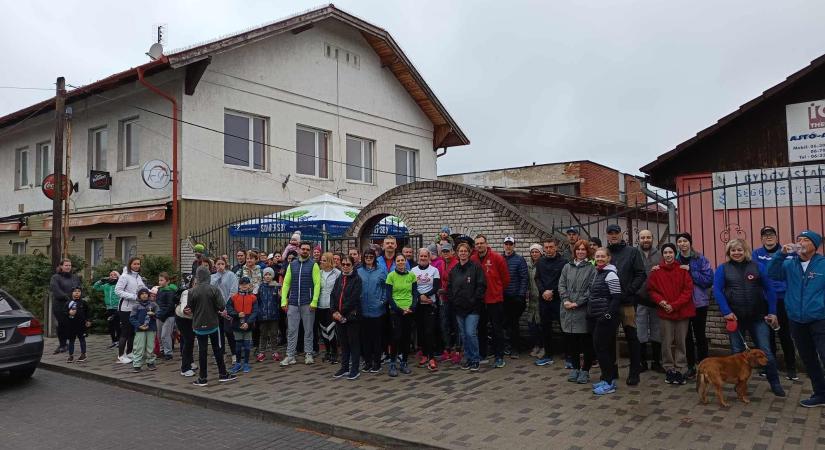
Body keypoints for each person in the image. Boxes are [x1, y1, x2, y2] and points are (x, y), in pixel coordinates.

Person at [714, 238, 785, 398]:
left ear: (745, 250)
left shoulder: (758, 267)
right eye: (733, 250)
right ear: (728, 252)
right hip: (735, 318)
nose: (736, 253)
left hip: (758, 317)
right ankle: (739, 386)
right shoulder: (722, 269)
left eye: (739, 249)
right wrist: (726, 311)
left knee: (766, 351)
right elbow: (717, 291)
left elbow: (770, 289)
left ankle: (775, 383)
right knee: (737, 353)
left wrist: (773, 312)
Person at [768, 230, 825, 407]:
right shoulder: (789, 264)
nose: (800, 242)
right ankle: (820, 394)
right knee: (808, 358)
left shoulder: (822, 264)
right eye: (798, 239)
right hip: (796, 320)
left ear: (815, 246)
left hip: (819, 318)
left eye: (805, 240)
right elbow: (772, 273)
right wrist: (780, 254)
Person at [753, 225, 798, 380]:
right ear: (761, 238)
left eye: (771, 234)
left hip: (783, 299)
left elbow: (792, 273)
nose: (768, 237)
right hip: (764, 300)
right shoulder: (756, 254)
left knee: (785, 334)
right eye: (765, 235)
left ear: (776, 237)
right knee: (768, 335)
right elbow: (757, 274)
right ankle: (769, 367)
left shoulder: (788, 252)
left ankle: (791, 368)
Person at [647, 243, 695, 385]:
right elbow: (652, 290)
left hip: (681, 311)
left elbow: (687, 291)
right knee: (666, 342)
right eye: (665, 253)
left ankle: (681, 367)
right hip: (664, 311)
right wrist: (661, 302)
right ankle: (669, 368)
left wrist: (673, 306)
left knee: (681, 341)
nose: (668, 255)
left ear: (675, 254)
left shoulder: (682, 270)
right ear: (662, 255)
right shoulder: (656, 271)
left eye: (670, 252)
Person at [605, 224, 646, 386]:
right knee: (609, 338)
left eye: (616, 233)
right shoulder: (605, 253)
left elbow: (640, 274)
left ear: (621, 234)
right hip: (609, 303)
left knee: (631, 337)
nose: (613, 236)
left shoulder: (632, 252)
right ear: (607, 235)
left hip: (627, 302)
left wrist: (629, 291)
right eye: (610, 233)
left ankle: (634, 372)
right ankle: (612, 370)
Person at [187, 266, 237, 386]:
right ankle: (223, 374)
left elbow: (190, 307)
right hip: (213, 324)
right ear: (209, 276)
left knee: (202, 351)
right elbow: (221, 306)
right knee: (217, 349)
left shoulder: (192, 291)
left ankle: (202, 378)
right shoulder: (214, 289)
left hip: (198, 324)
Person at [674, 232, 714, 380]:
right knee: (686, 337)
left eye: (685, 241)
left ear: (690, 243)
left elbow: (708, 280)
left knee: (700, 336)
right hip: (682, 304)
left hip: (699, 303)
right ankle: (690, 366)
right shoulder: (675, 260)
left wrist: (691, 271)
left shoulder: (700, 259)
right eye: (680, 241)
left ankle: (705, 367)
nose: (682, 244)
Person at [558, 240, 597, 384]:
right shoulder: (567, 267)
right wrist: (566, 300)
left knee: (586, 343)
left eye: (583, 249)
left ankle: (585, 370)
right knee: (572, 343)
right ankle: (575, 368)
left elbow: (591, 289)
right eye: (578, 249)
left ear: (587, 252)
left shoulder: (591, 268)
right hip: (568, 310)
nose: (580, 252)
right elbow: (561, 284)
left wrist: (578, 302)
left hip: (583, 310)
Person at [471, 234, 511, 368]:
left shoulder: (497, 258)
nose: (479, 245)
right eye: (477, 244)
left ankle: (499, 356)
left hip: (494, 299)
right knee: (481, 328)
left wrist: (496, 290)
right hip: (479, 300)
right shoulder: (473, 259)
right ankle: (483, 354)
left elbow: (505, 279)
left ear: (486, 243)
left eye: (481, 243)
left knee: (497, 329)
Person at [280, 241, 321, 366]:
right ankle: (290, 355)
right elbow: (286, 283)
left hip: (307, 303)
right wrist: (283, 300)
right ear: (299, 250)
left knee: (308, 330)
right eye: (303, 249)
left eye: (307, 249)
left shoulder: (313, 265)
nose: (305, 251)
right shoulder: (292, 265)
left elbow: (317, 284)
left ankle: (308, 354)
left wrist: (314, 301)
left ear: (310, 251)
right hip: (293, 302)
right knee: (292, 330)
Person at [589, 247, 622, 395]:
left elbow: (616, 298)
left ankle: (609, 382)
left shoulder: (611, 275)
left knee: (601, 348)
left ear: (609, 258)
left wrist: (607, 315)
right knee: (603, 348)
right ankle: (607, 378)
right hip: (598, 316)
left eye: (603, 256)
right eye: (598, 256)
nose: (600, 258)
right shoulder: (598, 272)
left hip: (607, 318)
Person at [449, 242, 487, 372]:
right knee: (464, 335)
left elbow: (481, 285)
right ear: (457, 253)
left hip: (473, 308)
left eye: (465, 251)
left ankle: (475, 359)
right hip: (459, 308)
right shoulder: (454, 270)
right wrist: (453, 300)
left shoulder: (476, 267)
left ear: (469, 253)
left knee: (471, 333)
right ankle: (468, 358)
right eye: (461, 251)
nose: (463, 253)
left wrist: (475, 299)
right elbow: (450, 287)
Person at [534, 238, 567, 366]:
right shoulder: (540, 262)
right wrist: (543, 291)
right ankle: (548, 355)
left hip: (558, 299)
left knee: (563, 327)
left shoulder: (563, 262)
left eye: (551, 247)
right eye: (546, 247)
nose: (548, 249)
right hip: (544, 300)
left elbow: (563, 281)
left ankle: (568, 354)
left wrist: (552, 291)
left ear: (556, 247)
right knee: (545, 328)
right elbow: (537, 278)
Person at [636, 230, 664, 373]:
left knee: (656, 329)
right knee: (640, 330)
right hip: (639, 298)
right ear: (638, 239)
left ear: (653, 238)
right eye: (642, 237)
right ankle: (641, 362)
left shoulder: (660, 255)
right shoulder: (633, 254)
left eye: (648, 237)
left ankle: (656, 362)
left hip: (656, 299)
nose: (645, 240)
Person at [331, 255, 363, 380]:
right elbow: (333, 295)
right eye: (343, 264)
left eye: (347, 264)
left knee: (353, 343)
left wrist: (341, 312)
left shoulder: (357, 279)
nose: (345, 266)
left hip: (351, 316)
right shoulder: (339, 278)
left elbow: (354, 298)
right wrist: (333, 310)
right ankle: (344, 367)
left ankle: (354, 369)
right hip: (339, 317)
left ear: (352, 265)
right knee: (343, 343)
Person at [386, 254, 418, 376]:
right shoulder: (391, 276)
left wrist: (411, 307)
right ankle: (393, 363)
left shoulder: (411, 275)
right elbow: (389, 296)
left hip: (409, 311)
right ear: (395, 262)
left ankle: (404, 362)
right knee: (396, 338)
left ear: (405, 262)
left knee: (406, 338)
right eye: (398, 260)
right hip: (396, 311)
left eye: (402, 260)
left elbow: (415, 293)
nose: (400, 262)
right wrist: (399, 309)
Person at [357, 248, 387, 373]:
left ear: (375, 258)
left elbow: (386, 288)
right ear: (363, 258)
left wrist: (382, 301)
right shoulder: (358, 271)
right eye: (366, 257)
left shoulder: (381, 270)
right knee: (365, 338)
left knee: (376, 338)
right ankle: (367, 362)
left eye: (371, 257)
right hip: (363, 309)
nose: (368, 259)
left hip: (377, 310)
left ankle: (377, 362)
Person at [412, 248, 441, 371]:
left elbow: (436, 287)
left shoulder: (434, 270)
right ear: (418, 257)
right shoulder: (413, 271)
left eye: (425, 256)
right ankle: (424, 355)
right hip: (418, 305)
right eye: (421, 256)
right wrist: (420, 297)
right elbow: (412, 287)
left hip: (430, 304)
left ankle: (432, 357)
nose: (423, 258)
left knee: (430, 331)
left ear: (429, 257)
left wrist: (426, 296)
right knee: (421, 331)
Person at [115, 257, 147, 364]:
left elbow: (143, 288)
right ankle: (120, 355)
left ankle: (129, 352)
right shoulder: (125, 276)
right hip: (125, 308)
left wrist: (154, 291)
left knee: (132, 332)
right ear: (130, 265)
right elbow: (118, 291)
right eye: (134, 264)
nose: (137, 266)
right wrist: (134, 297)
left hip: (135, 308)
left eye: (138, 264)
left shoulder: (138, 277)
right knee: (125, 331)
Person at [502, 236, 529, 359]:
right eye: (506, 244)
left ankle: (515, 348)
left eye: (510, 244)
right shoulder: (499, 258)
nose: (508, 246)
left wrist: (521, 295)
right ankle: (506, 346)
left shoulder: (519, 260)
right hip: (502, 297)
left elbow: (524, 278)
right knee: (504, 323)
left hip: (515, 298)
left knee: (513, 324)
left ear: (514, 245)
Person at [227, 277, 258, 374]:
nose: (244, 286)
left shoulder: (253, 297)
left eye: (246, 284)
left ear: (249, 285)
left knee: (247, 346)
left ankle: (246, 363)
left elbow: (255, 312)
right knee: (238, 345)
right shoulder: (234, 297)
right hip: (237, 325)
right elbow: (228, 308)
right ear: (239, 285)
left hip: (248, 325)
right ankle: (238, 363)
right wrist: (236, 314)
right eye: (242, 284)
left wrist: (248, 323)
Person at [212, 257, 240, 365]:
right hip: (217, 309)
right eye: (218, 264)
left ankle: (234, 354)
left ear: (225, 264)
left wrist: (226, 307)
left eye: (222, 264)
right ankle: (221, 354)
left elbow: (233, 291)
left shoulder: (231, 275)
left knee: (229, 331)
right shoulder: (212, 277)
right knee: (219, 333)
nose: (220, 266)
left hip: (228, 308)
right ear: (215, 265)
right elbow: (211, 291)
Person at [436, 243, 461, 364]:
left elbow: (457, 283)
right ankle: (447, 349)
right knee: (444, 324)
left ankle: (458, 350)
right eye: (443, 251)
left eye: (447, 251)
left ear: (452, 252)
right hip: (444, 299)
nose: (445, 254)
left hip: (455, 300)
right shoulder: (441, 263)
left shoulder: (456, 264)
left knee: (456, 325)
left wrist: (445, 290)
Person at [49, 258, 80, 354]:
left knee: (71, 324)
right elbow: (56, 291)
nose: (68, 267)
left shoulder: (75, 277)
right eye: (66, 265)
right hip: (60, 305)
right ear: (61, 266)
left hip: (73, 304)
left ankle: (69, 343)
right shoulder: (55, 277)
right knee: (62, 324)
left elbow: (79, 289)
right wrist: (68, 297)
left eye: (69, 265)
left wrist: (77, 297)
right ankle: (62, 344)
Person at [317, 252, 341, 363]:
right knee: (323, 329)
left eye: (324, 260)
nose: (321, 262)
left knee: (331, 329)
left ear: (330, 261)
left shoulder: (337, 273)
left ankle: (335, 352)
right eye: (321, 260)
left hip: (331, 306)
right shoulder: (319, 272)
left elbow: (340, 290)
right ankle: (327, 352)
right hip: (320, 304)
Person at [129, 288, 158, 373]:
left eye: (146, 293)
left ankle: (150, 362)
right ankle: (137, 364)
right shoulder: (136, 306)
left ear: (148, 295)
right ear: (139, 295)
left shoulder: (153, 305)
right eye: (142, 294)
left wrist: (154, 314)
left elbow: (159, 315)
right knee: (138, 347)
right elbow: (132, 318)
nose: (144, 295)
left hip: (151, 329)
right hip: (140, 329)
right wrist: (139, 326)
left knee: (150, 347)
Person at [255, 267, 281, 362]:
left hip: (274, 315)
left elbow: (279, 300)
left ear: (272, 276)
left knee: (274, 334)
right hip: (262, 315)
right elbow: (257, 300)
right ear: (263, 276)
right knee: (263, 334)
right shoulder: (260, 287)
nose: (267, 276)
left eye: (269, 274)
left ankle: (274, 351)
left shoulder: (276, 286)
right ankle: (262, 351)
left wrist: (280, 295)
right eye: (266, 274)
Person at [93, 270, 120, 349]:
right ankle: (113, 341)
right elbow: (95, 287)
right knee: (111, 325)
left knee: (117, 325)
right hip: (109, 307)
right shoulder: (106, 285)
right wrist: (101, 280)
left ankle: (119, 341)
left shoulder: (119, 285)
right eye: (110, 275)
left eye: (114, 274)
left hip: (118, 307)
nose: (112, 276)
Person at [155, 272, 178, 361]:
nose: (160, 282)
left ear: (167, 281)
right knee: (159, 334)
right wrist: (157, 313)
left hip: (168, 316)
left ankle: (168, 352)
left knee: (165, 334)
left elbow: (170, 305)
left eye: (162, 280)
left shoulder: (170, 291)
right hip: (159, 315)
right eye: (159, 280)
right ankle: (162, 350)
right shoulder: (159, 290)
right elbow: (158, 303)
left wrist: (163, 314)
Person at [526, 244, 544, 358]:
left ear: (541, 253)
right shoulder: (528, 266)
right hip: (532, 299)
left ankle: (543, 346)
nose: (534, 254)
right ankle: (536, 345)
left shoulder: (543, 264)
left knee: (541, 324)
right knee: (531, 323)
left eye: (536, 252)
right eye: (532, 252)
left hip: (542, 298)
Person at [175, 281, 196, 377]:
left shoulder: (202, 292)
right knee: (188, 340)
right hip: (182, 318)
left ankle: (190, 362)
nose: (197, 285)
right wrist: (185, 309)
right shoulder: (187, 292)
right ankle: (185, 368)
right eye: (195, 283)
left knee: (190, 340)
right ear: (192, 285)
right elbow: (184, 307)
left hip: (192, 319)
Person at [65, 287, 90, 363]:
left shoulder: (83, 303)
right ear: (72, 293)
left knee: (82, 339)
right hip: (71, 324)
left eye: (79, 291)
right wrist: (69, 313)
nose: (77, 293)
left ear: (81, 293)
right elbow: (63, 312)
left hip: (81, 324)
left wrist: (88, 320)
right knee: (71, 340)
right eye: (75, 291)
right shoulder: (68, 303)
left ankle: (83, 354)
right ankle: (70, 355)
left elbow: (88, 312)